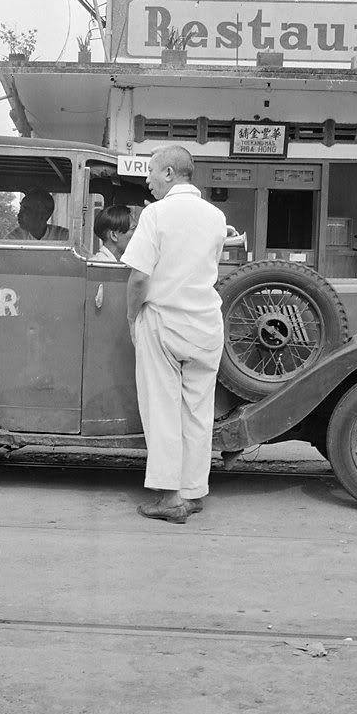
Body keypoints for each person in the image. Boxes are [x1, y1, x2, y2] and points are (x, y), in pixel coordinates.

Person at [121, 145, 227, 524]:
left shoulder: (156, 214)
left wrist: (133, 318)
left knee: (162, 409)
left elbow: (138, 277)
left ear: (168, 172)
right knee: (198, 413)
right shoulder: (216, 217)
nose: (147, 180)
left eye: (151, 171)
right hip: (206, 324)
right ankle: (193, 493)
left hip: (164, 321)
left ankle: (168, 499)